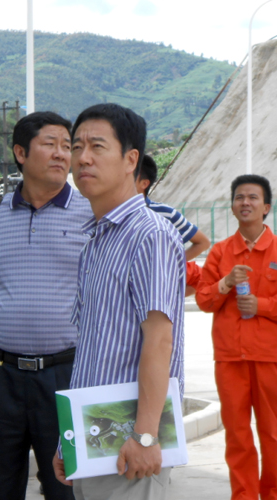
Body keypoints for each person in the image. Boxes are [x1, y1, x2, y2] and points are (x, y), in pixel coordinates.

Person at [0, 111, 91, 500]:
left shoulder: (91, 214)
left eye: (68, 146)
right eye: (50, 144)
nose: (62, 154)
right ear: (21, 153)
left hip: (67, 375)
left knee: (68, 490)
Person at [51, 103, 185, 499]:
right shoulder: (97, 239)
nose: (82, 158)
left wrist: (145, 435)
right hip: (96, 440)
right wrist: (70, 439)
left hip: (132, 446)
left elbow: (159, 340)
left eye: (97, 146)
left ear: (130, 160)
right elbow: (95, 352)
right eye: (76, 147)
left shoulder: (150, 234)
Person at [196, 174, 277, 500]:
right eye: (239, 197)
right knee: (237, 434)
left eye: (253, 197)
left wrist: (262, 305)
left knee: (271, 432)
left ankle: (274, 495)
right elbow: (204, 300)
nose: (245, 202)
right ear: (232, 207)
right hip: (230, 357)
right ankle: (243, 495)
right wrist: (226, 283)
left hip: (269, 356)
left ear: (266, 207)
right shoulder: (220, 253)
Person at [136, 154, 211, 261]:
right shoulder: (113, 213)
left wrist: (173, 264)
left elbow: (203, 243)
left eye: (129, 177)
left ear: (144, 183)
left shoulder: (165, 213)